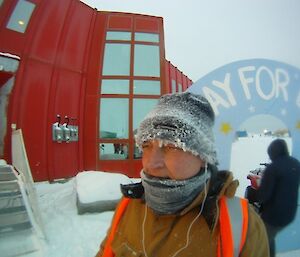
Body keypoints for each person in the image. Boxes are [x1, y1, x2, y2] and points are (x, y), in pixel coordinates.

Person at [95, 92, 269, 257]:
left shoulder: (240, 224)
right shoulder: (129, 205)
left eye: (171, 146)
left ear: (203, 157)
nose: (151, 163)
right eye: (146, 146)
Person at [257, 138, 300, 257]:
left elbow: (264, 195)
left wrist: (258, 193)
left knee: (260, 240)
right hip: (290, 213)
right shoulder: (296, 163)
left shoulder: (273, 168)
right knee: (269, 237)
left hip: (274, 216)